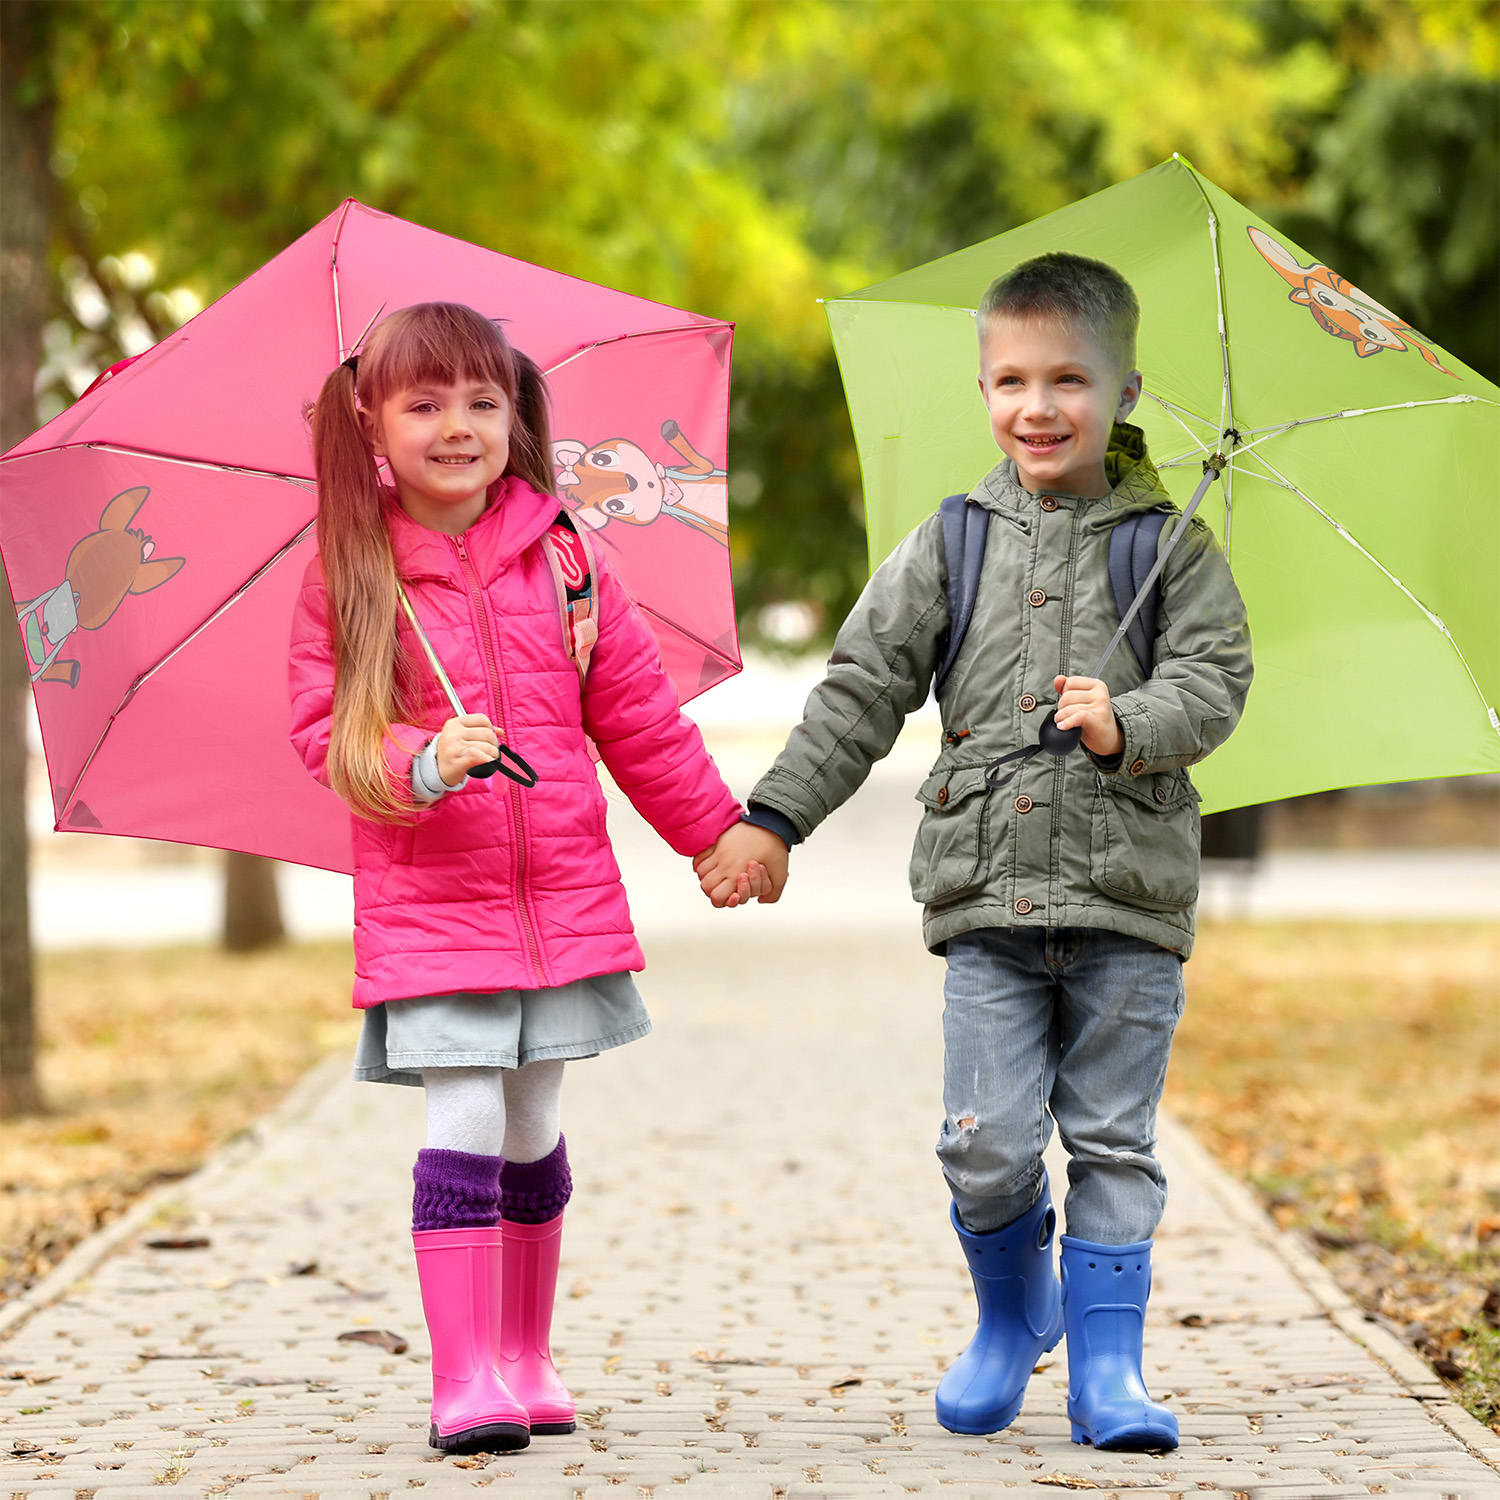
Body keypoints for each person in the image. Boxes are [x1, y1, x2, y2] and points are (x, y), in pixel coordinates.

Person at [697, 253, 1253, 1451]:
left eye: (1069, 380)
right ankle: (1012, 1321)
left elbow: (1217, 682)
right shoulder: (950, 544)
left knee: (1113, 1139)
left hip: (1127, 903)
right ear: (984, 387)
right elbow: (860, 691)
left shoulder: (1173, 548)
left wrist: (1131, 719)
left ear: (1124, 390)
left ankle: (1109, 1371)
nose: (1037, 407)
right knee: (987, 1144)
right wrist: (774, 817)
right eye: (1010, 379)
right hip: (988, 900)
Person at [288, 302, 754, 1455]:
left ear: (517, 416)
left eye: (482, 403)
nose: (458, 426)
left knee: (534, 1111)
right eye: (426, 403)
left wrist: (717, 833)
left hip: (558, 895)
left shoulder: (569, 557)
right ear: (371, 422)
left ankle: (524, 1353)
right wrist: (421, 758)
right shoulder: (352, 572)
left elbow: (637, 720)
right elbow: (324, 737)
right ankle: (463, 1376)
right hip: (429, 900)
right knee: (465, 1100)